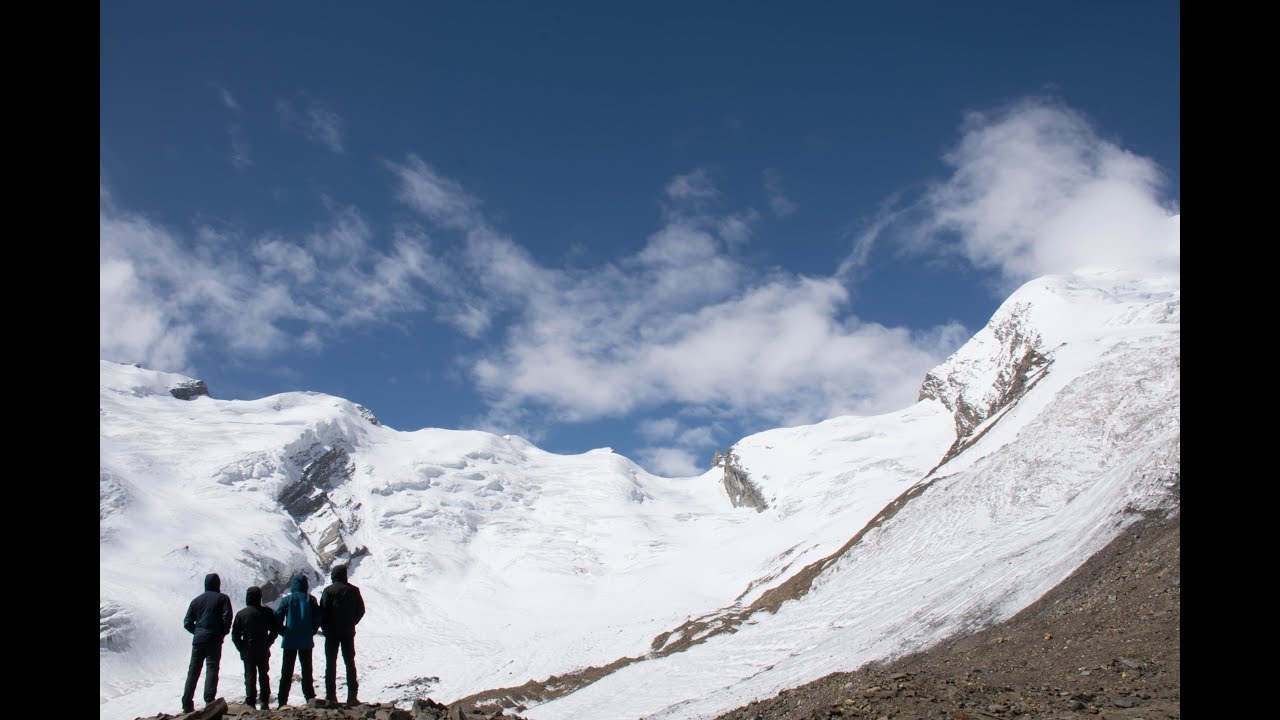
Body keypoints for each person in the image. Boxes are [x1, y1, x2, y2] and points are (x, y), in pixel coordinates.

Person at [181, 572, 234, 713]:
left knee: (193, 671)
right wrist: (222, 632)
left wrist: (198, 631)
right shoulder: (223, 599)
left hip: (198, 640)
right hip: (214, 640)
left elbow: (187, 622)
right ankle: (209, 702)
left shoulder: (196, 600)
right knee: (212, 668)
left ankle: (187, 704)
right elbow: (227, 617)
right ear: (218, 584)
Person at [319, 563, 366, 705]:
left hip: (331, 633)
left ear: (334, 576)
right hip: (348, 632)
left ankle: (330, 696)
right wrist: (352, 622)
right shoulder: (354, 590)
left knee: (331, 663)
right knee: (350, 663)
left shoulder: (328, 591)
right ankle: (352, 696)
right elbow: (361, 610)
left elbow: (323, 611)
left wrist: (326, 627)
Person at [275, 572, 322, 707]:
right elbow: (318, 618)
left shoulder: (287, 600)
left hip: (290, 640)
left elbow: (277, 618)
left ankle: (282, 701)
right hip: (306, 641)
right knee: (307, 670)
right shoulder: (310, 600)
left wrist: (283, 632)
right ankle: (310, 697)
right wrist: (311, 632)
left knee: (286, 671)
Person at [231, 585, 280, 710]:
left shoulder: (241, 614)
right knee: (264, 675)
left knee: (250, 676)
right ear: (259, 597)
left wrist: (242, 648)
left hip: (248, 649)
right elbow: (275, 630)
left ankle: (251, 703)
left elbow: (235, 635)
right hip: (263, 648)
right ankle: (264, 702)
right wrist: (268, 642)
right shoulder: (267, 612)